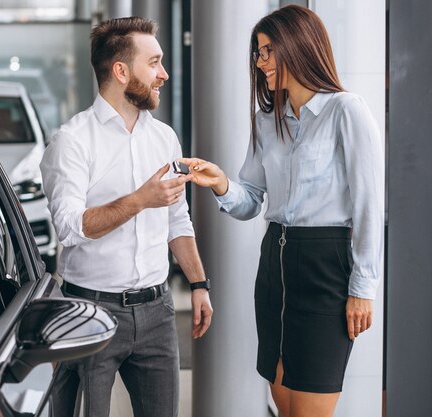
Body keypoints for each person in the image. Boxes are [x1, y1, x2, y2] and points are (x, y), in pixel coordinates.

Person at [180, 5, 383, 417]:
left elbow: (369, 205)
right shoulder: (267, 119)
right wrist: (220, 183)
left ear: (300, 46)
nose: (261, 62)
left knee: (310, 407)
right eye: (258, 52)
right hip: (275, 264)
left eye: (269, 50)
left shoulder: (347, 110)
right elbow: (251, 200)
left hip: (326, 268)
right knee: (283, 401)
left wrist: (363, 288)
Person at [40, 16, 213, 417]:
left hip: (156, 312)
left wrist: (199, 283)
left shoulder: (164, 137)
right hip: (88, 311)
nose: (164, 74)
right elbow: (69, 227)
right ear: (121, 71)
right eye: (153, 63)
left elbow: (177, 220)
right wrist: (138, 200)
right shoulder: (72, 141)